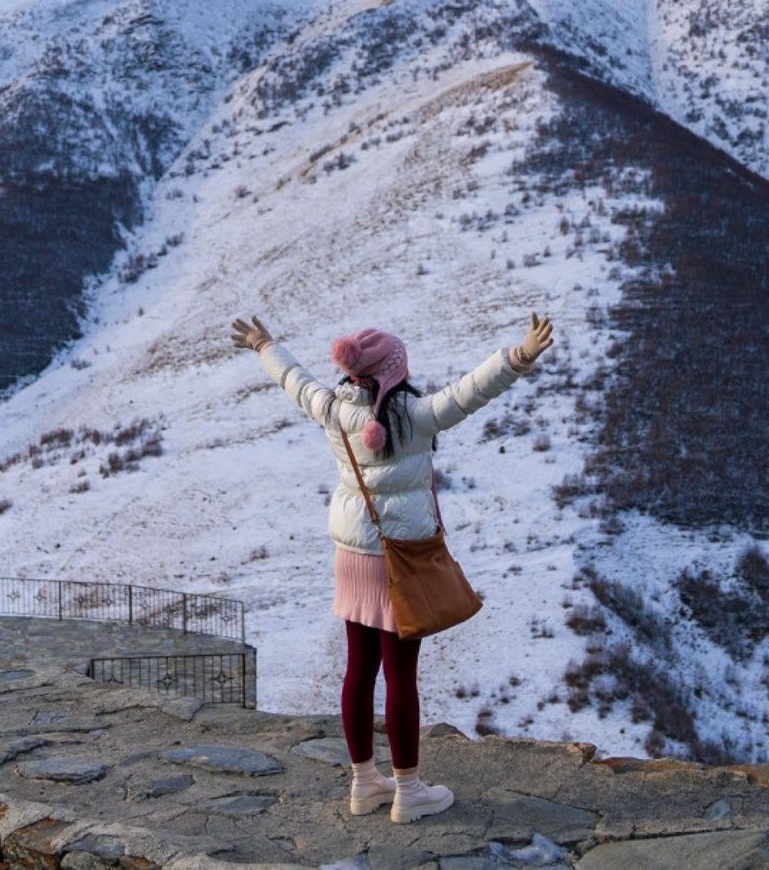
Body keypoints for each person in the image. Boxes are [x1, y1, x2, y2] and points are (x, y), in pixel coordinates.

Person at [229, 312, 554, 823]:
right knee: (401, 676)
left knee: (358, 669)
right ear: (393, 372)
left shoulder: (334, 409)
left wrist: (264, 344)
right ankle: (409, 790)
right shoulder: (415, 415)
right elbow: (472, 390)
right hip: (398, 558)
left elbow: (295, 380)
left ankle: (363, 783)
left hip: (351, 554)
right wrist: (521, 355)